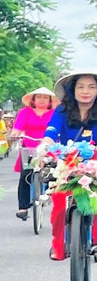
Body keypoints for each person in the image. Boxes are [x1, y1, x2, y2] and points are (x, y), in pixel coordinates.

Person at [42, 72, 97, 261]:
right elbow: (51, 132)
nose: (86, 91)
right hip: (67, 161)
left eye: (92, 87)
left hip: (95, 162)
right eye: (80, 86)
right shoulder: (62, 110)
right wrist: (44, 147)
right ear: (72, 90)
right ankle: (58, 244)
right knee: (58, 203)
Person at [9, 86, 56, 220]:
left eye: (45, 97)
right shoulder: (25, 112)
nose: (42, 100)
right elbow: (17, 128)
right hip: (29, 147)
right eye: (39, 97)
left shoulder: (54, 113)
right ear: (33, 100)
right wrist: (15, 134)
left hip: (49, 148)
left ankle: (53, 198)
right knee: (26, 175)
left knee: (55, 173)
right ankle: (23, 208)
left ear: (50, 101)